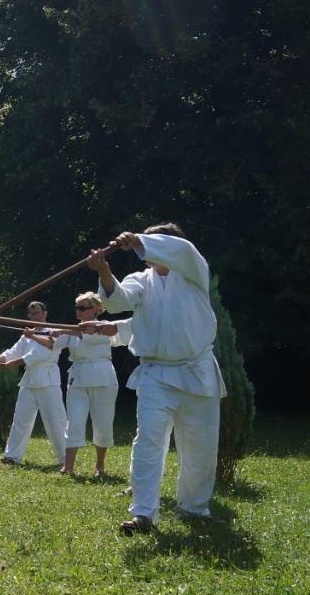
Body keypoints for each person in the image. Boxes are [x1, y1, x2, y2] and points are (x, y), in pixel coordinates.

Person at [88, 224, 225, 536]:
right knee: (148, 439)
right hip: (156, 373)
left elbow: (183, 250)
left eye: (153, 244)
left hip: (197, 371)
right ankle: (144, 513)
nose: (146, 252)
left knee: (200, 444)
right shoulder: (141, 280)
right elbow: (117, 300)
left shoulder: (192, 270)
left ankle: (194, 507)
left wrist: (138, 239)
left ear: (167, 245)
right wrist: (105, 270)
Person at [52, 293, 128, 477]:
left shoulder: (105, 328)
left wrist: (66, 330)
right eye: (77, 307)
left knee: (103, 421)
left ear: (96, 309)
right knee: (75, 420)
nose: (78, 311)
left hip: (103, 377)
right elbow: (52, 344)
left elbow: (91, 336)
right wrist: (40, 333)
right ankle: (68, 466)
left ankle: (100, 466)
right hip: (78, 377)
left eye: (82, 308)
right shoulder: (71, 329)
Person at [0, 301, 68, 467]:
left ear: (45, 313)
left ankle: (66, 459)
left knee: (55, 421)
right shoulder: (26, 335)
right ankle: (11, 456)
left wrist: (17, 363)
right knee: (20, 420)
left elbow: (40, 353)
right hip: (29, 381)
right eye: (31, 314)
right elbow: (14, 351)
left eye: (37, 313)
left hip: (48, 381)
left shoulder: (54, 332)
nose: (33, 316)